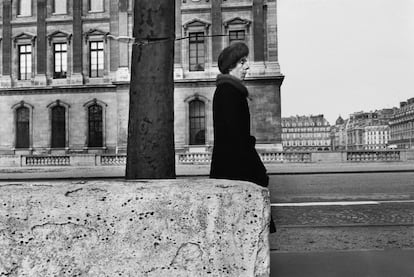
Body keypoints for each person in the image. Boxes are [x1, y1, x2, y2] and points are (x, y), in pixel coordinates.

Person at [209, 42, 276, 233]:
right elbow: (236, 139)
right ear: (231, 66)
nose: (247, 66)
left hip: (231, 168)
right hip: (236, 171)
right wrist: (257, 169)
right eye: (242, 62)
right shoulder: (230, 93)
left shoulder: (229, 91)